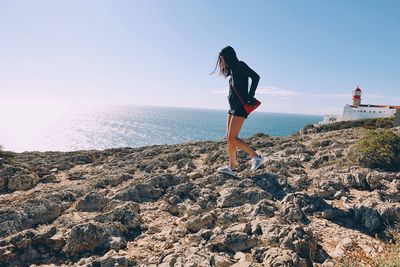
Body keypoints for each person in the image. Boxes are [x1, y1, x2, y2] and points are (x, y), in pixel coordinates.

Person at [212, 46, 263, 176]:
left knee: (232, 138)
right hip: (232, 108)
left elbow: (256, 77)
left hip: (240, 107)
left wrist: (250, 96)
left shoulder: (240, 65)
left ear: (229, 56)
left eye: (223, 58)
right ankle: (232, 167)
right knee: (229, 139)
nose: (222, 61)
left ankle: (256, 157)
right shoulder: (233, 71)